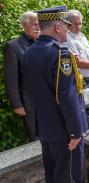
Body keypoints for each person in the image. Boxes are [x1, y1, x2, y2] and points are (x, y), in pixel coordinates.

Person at [23, 6, 88, 183]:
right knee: (69, 179)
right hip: (65, 132)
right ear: (57, 28)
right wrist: (75, 131)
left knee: (52, 177)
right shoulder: (61, 55)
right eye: (66, 25)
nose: (68, 29)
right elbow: (67, 97)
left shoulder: (29, 52)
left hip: (45, 129)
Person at [3, 11, 40, 142]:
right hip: (29, 103)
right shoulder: (13, 46)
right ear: (24, 25)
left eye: (40, 25)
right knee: (35, 139)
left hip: (47, 100)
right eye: (35, 25)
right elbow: (10, 78)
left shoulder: (43, 43)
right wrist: (17, 104)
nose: (38, 28)